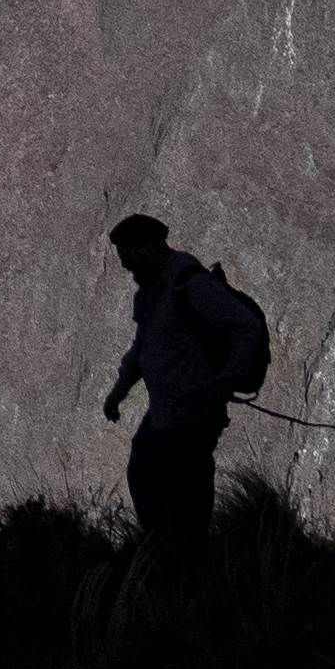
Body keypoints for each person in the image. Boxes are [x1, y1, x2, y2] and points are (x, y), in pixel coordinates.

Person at [99, 211, 267, 567]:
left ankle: (187, 562)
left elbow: (246, 327)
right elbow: (142, 347)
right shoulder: (149, 293)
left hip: (195, 412)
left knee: (184, 488)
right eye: (124, 261)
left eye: (131, 258)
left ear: (153, 247)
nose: (129, 270)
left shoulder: (191, 284)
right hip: (165, 411)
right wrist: (119, 391)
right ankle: (168, 553)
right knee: (146, 475)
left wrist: (226, 378)